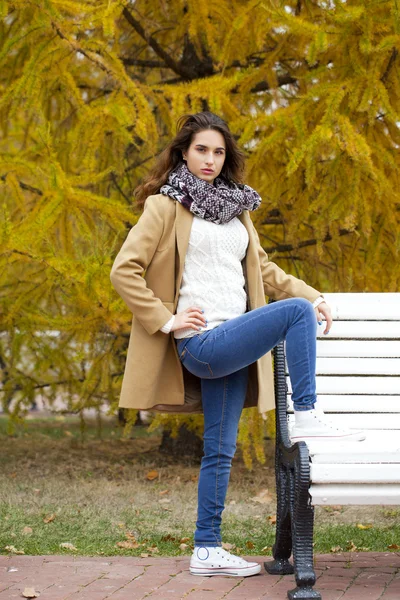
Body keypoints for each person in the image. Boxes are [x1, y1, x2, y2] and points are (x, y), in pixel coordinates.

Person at [110, 111, 365, 579]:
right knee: (292, 316)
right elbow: (124, 270)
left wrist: (313, 294)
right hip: (202, 344)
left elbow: (263, 269)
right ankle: (307, 414)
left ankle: (206, 547)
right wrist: (167, 320)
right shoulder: (164, 207)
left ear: (227, 158)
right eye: (201, 149)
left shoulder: (237, 209)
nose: (210, 159)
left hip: (234, 341)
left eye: (219, 151)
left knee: (219, 450)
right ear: (184, 153)